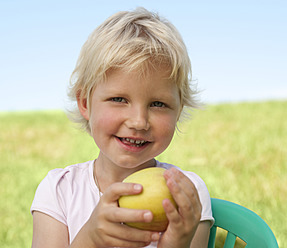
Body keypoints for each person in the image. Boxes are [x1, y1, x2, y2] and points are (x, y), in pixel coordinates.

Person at [31, 7, 214, 248]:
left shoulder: (186, 194)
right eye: (119, 99)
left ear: (178, 111)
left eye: (158, 103)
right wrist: (91, 239)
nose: (139, 121)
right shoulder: (59, 191)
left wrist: (175, 244)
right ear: (85, 103)